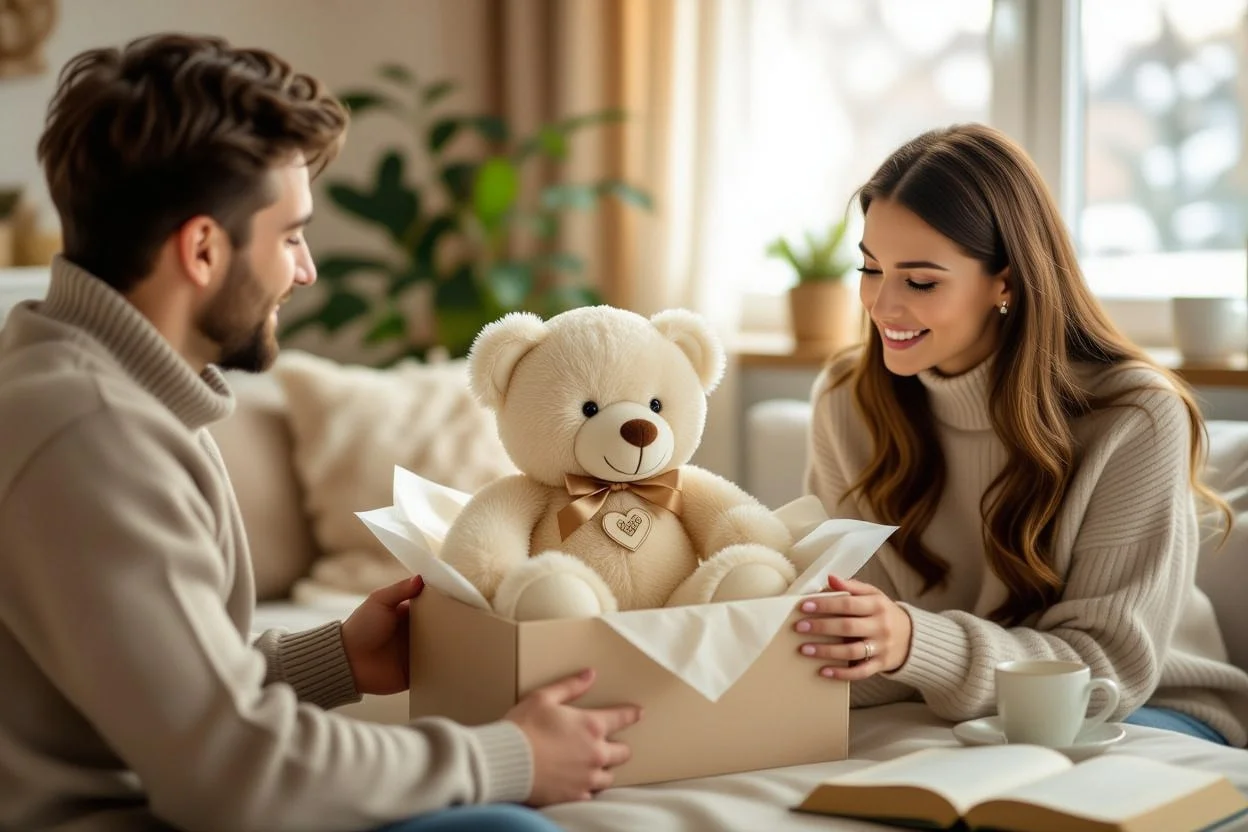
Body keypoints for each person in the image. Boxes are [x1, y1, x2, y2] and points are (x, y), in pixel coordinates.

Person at [0, 33, 641, 832]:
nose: (304, 272)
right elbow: (231, 772)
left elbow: (152, 687)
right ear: (202, 249)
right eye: (291, 236)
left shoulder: (116, 390)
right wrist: (508, 757)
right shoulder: (91, 435)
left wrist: (336, 657)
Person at [795, 123, 1248, 748]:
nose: (882, 305)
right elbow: (860, 635)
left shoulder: (1134, 416)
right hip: (944, 703)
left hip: (1139, 707)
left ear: (1004, 282)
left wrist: (909, 640)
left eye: (920, 281)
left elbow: (1110, 662)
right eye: (871, 268)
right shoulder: (849, 401)